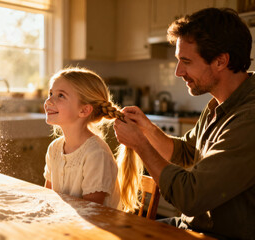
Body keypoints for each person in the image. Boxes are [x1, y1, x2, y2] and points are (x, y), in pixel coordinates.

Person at [114, 8, 255, 240]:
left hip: (216, 235)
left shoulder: (249, 118)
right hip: (189, 225)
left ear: (221, 61)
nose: (179, 72)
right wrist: (146, 129)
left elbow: (190, 197)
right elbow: (186, 152)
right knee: (118, 229)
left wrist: (140, 145)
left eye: (186, 61)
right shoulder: (218, 104)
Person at [43, 67, 143, 211]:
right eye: (50, 93)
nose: (48, 101)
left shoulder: (96, 155)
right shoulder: (54, 148)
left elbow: (90, 214)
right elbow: (48, 198)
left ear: (84, 110)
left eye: (61, 96)